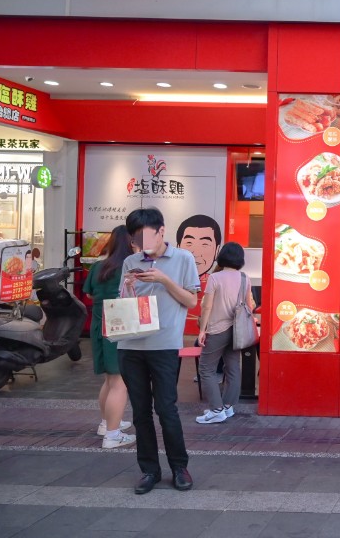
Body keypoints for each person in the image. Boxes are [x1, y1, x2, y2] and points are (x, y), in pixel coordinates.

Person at [119, 207, 200, 495]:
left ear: (162, 231)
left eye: (147, 235)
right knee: (140, 412)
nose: (142, 243)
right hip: (130, 346)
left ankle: (179, 467)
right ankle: (149, 470)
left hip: (164, 344)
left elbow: (191, 301)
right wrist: (129, 287)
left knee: (166, 409)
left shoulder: (183, 258)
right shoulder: (131, 260)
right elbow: (125, 305)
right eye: (136, 237)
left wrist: (163, 279)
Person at [82, 225, 136, 449]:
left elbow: (89, 292)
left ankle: (107, 424)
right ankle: (112, 436)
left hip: (98, 325)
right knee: (120, 383)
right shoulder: (130, 266)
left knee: (109, 380)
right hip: (119, 326)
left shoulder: (97, 266)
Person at [195, 242, 255, 424]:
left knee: (206, 369)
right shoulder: (245, 278)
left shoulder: (215, 278)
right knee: (233, 367)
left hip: (217, 329)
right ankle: (228, 407)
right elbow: (250, 305)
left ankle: (216, 409)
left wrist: (202, 330)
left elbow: (207, 306)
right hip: (237, 331)